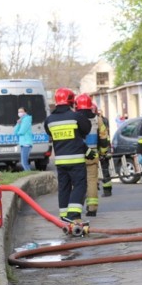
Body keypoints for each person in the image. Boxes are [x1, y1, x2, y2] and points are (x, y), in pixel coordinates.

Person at [44, 88, 91, 228]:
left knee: (64, 188)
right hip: (76, 160)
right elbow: (86, 130)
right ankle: (73, 215)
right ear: (71, 101)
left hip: (60, 161)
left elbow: (50, 134)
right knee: (80, 185)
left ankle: (64, 216)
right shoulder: (76, 117)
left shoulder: (49, 120)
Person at [75, 94, 103, 216]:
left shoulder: (74, 119)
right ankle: (92, 209)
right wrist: (102, 152)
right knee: (92, 181)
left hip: (78, 156)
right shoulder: (98, 119)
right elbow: (104, 138)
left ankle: (76, 208)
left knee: (78, 182)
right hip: (93, 156)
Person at [97, 107, 113, 197]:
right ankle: (107, 190)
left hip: (98, 148)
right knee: (105, 169)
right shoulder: (104, 120)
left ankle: (105, 189)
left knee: (101, 170)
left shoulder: (96, 121)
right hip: (104, 147)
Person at [13, 107, 33, 171]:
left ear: (25, 112)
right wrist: (18, 123)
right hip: (23, 143)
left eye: (21, 111)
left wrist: (18, 131)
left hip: (26, 143)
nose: (20, 113)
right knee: (24, 162)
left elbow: (22, 131)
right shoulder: (21, 120)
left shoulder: (27, 119)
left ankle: (29, 175)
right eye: (19, 112)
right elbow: (15, 131)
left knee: (24, 163)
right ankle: (28, 174)